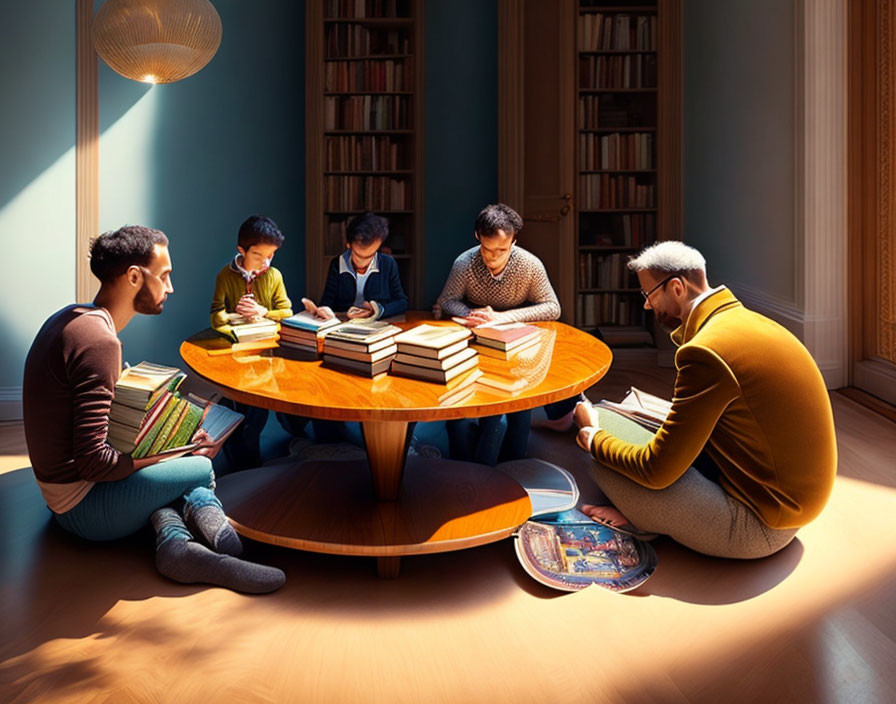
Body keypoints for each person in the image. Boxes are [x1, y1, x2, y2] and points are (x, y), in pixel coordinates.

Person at [22, 225, 285, 592]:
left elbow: (100, 414)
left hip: (66, 497)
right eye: (164, 276)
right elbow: (93, 462)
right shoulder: (100, 343)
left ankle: (176, 543)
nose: (171, 287)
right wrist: (176, 453)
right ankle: (200, 541)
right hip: (83, 509)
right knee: (201, 465)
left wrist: (170, 433)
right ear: (133, 277)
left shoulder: (77, 318)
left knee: (186, 453)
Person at [573, 240, 837, 558]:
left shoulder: (706, 350)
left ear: (677, 288)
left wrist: (592, 439)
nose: (646, 306)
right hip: (788, 505)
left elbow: (657, 471)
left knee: (601, 457)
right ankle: (649, 514)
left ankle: (645, 520)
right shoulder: (745, 322)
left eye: (648, 295)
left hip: (759, 527)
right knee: (614, 416)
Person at [436, 203, 561, 465]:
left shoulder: (530, 265)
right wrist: (473, 314)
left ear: (514, 241)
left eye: (502, 250)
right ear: (477, 237)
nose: (493, 257)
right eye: (487, 249)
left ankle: (512, 463)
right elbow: (448, 300)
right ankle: (470, 465)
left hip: (520, 345)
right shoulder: (465, 262)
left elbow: (552, 307)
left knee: (518, 405)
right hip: (478, 340)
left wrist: (502, 317)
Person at [210, 215, 302, 467]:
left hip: (267, 354)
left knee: (260, 409)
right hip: (237, 353)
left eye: (271, 256)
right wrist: (234, 314)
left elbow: (287, 311)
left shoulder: (274, 276)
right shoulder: (225, 276)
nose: (266, 262)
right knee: (241, 408)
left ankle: (254, 453)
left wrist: (262, 312)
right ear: (242, 250)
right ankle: (241, 457)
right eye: (259, 256)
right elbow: (215, 316)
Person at [315, 211, 408, 321]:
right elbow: (326, 303)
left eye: (370, 256)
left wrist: (377, 309)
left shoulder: (387, 264)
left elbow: (402, 302)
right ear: (348, 245)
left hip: (378, 325)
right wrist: (325, 311)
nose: (363, 262)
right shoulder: (338, 264)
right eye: (358, 255)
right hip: (344, 324)